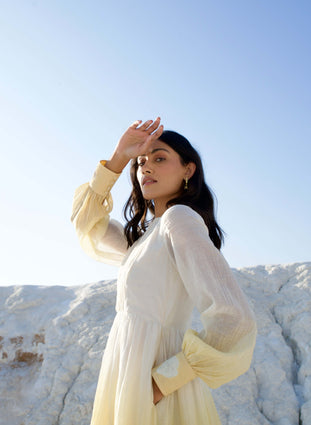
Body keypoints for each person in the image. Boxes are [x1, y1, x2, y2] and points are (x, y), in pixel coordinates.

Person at [71, 117, 257, 425]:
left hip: (155, 381)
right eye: (140, 162)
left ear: (188, 169)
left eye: (159, 158)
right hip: (129, 372)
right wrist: (119, 157)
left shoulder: (179, 219)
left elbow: (235, 318)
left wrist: (162, 383)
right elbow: (85, 222)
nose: (145, 167)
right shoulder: (145, 237)